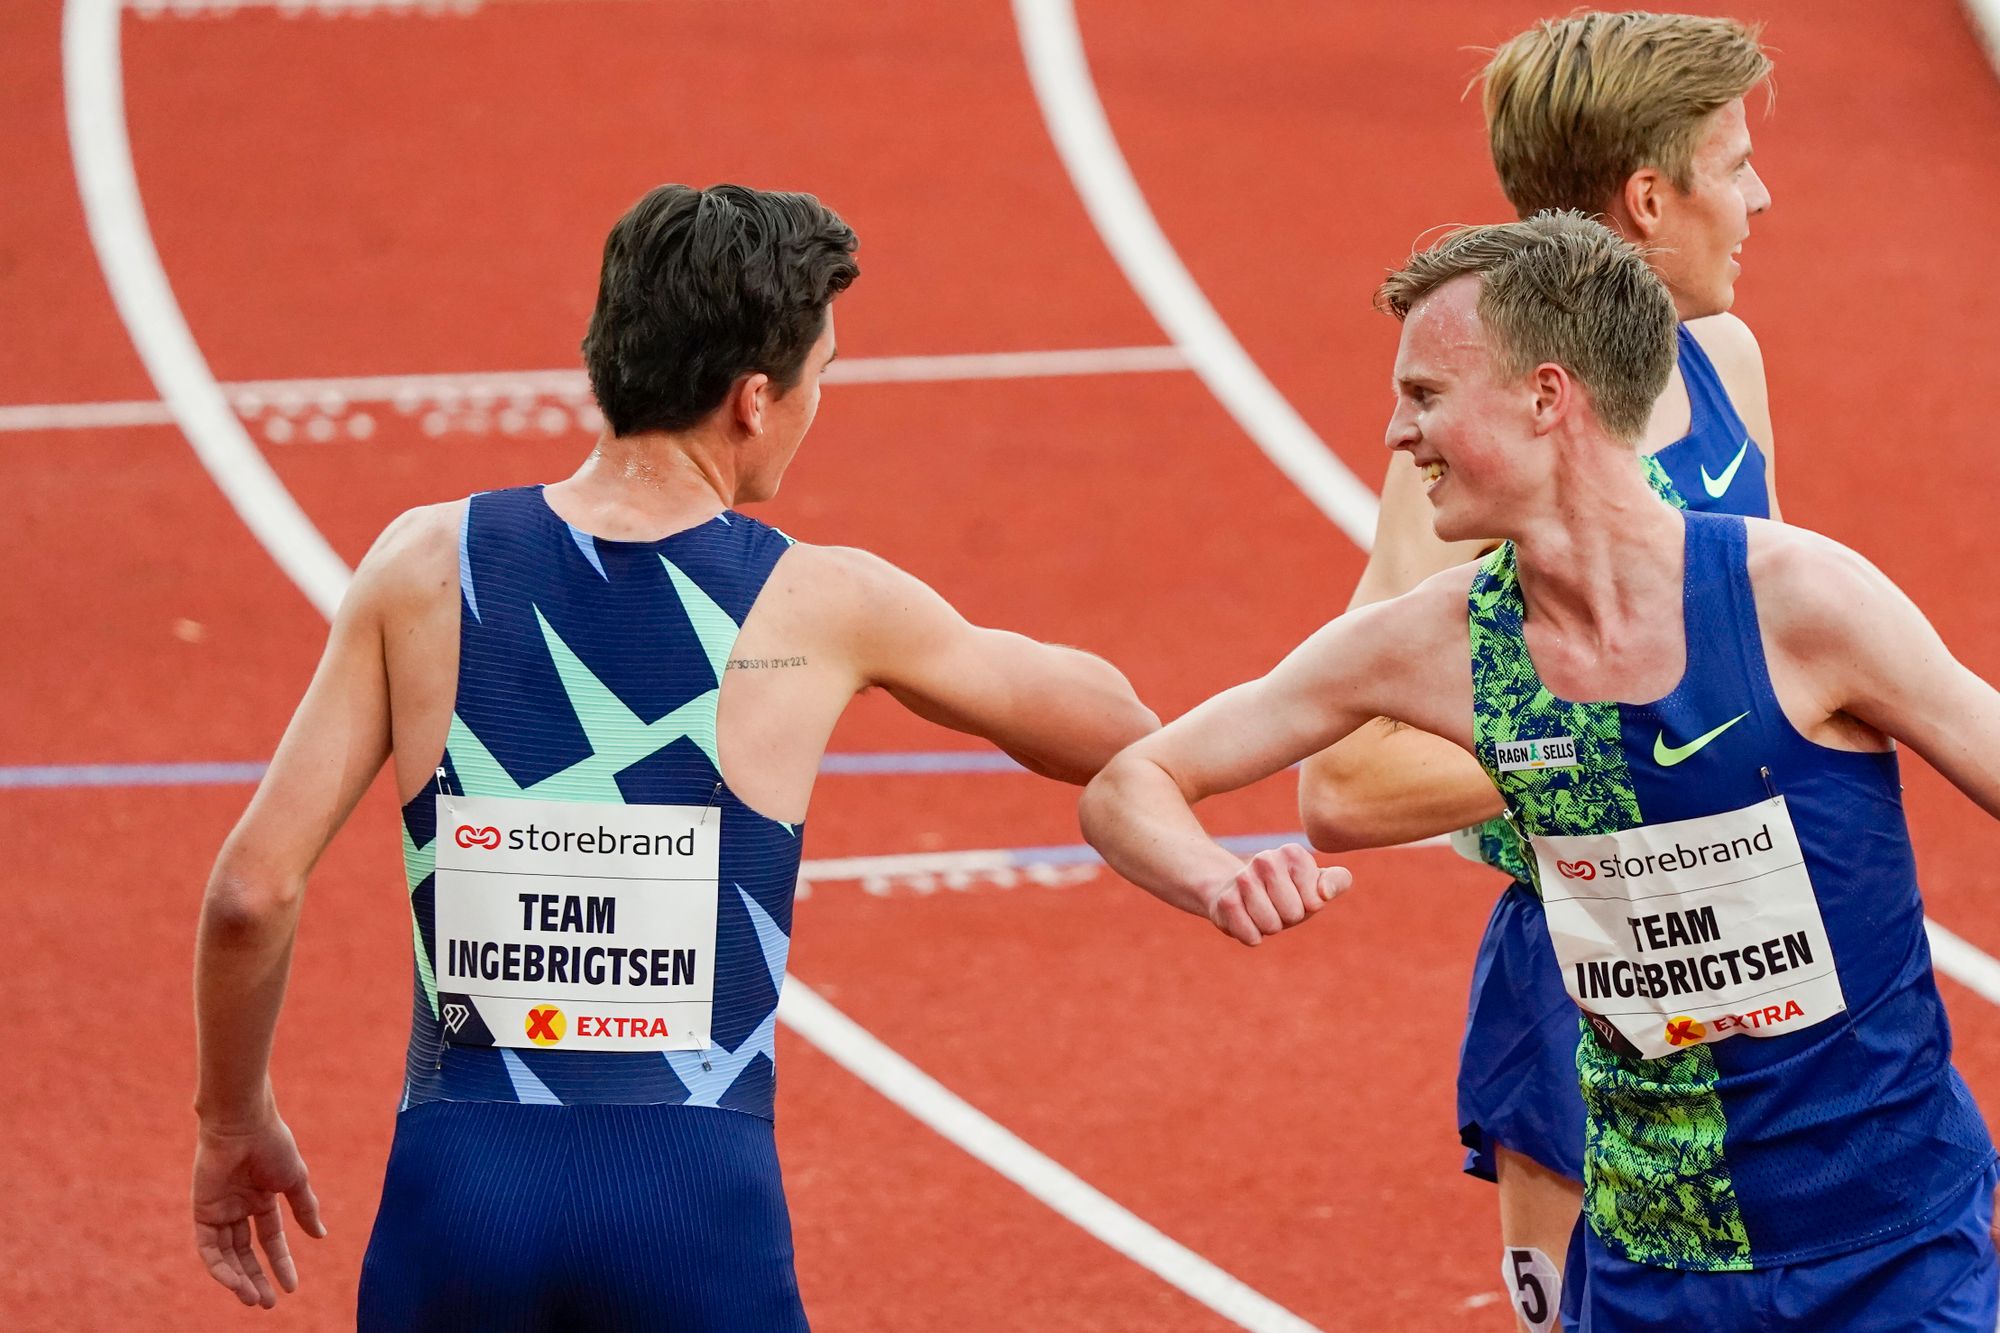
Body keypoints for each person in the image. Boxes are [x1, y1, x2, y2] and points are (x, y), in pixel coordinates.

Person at [190, 183, 1159, 1329]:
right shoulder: (819, 601)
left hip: (459, 1197)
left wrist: (230, 1119)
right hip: (691, 1208)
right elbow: (1114, 727)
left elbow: (251, 893)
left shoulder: (425, 562)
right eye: (822, 375)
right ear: (755, 398)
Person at [1081, 212, 1999, 1331]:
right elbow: (1133, 781)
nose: (1393, 434)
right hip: (1651, 1262)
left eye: (1422, 395)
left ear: (1544, 396)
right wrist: (1209, 875)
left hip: (1889, 1247)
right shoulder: (1436, 642)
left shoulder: (1797, 601)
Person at [1296, 14, 1775, 1325]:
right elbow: (1347, 775)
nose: (1759, 196)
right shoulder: (1481, 436)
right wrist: (1595, 756)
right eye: (1731, 166)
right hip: (1587, 978)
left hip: (1766, 947)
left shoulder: (1727, 368)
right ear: (1648, 199)